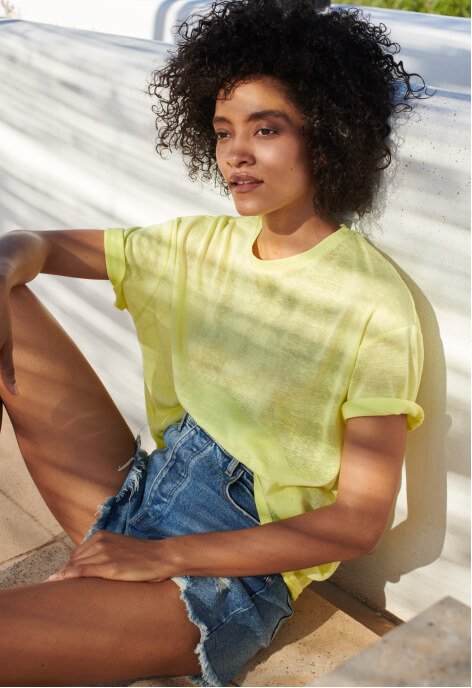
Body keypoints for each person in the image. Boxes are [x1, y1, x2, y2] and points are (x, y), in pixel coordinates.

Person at [0, 1, 428, 685]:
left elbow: (356, 524)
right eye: (224, 129)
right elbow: (36, 246)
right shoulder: (198, 242)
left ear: (326, 132)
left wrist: (164, 558)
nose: (236, 153)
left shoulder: (372, 302)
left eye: (266, 129)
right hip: (136, 493)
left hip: (227, 574)